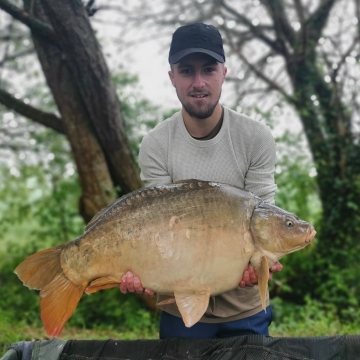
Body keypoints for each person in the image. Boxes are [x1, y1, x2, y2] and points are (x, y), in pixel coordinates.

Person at [120, 22, 282, 338]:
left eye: (208, 70)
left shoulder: (255, 137)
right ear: (172, 77)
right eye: (186, 71)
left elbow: (264, 217)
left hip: (246, 309)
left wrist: (259, 261)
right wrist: (135, 268)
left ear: (223, 72)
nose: (198, 82)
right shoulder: (156, 143)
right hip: (180, 311)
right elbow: (156, 230)